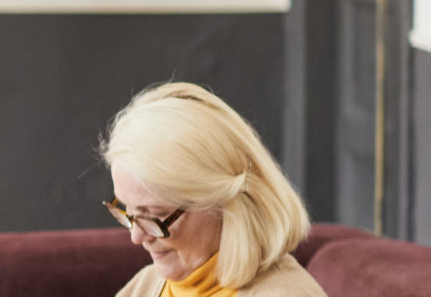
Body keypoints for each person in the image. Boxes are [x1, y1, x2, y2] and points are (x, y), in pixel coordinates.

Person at [102, 83, 325, 296]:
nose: (136, 236)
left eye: (156, 215)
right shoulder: (146, 285)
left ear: (223, 203)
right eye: (128, 211)